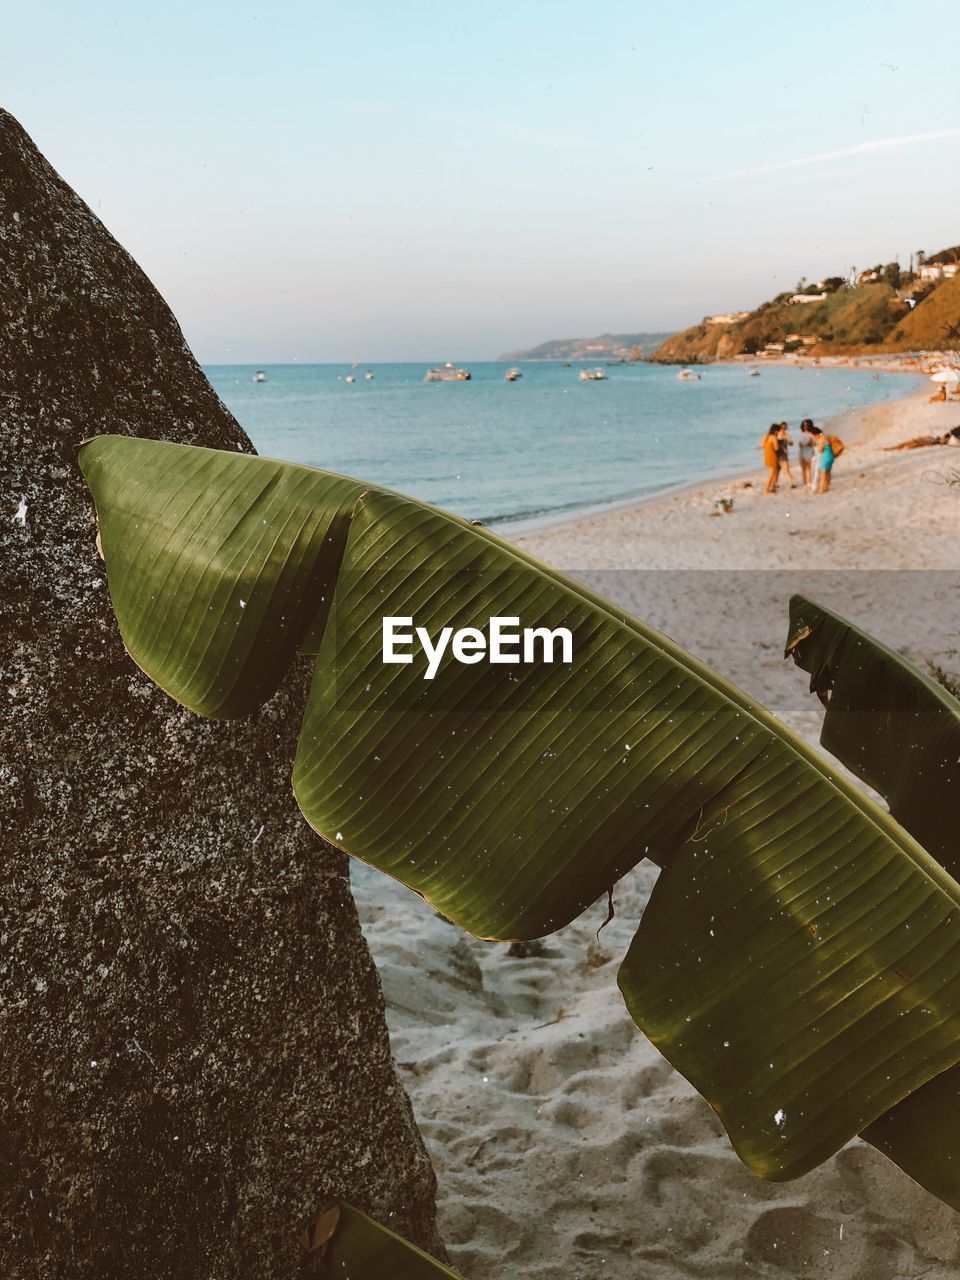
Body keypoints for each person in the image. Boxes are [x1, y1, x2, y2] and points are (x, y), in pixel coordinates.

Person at [761, 423, 781, 493]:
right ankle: (766, 489)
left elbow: (762, 445)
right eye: (778, 431)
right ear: (775, 431)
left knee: (771, 472)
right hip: (773, 456)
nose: (779, 432)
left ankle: (770, 487)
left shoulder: (766, 436)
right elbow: (776, 448)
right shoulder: (773, 437)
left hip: (767, 455)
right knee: (772, 474)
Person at [777, 422, 797, 488]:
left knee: (786, 469)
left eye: (784, 428)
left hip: (783, 454)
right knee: (777, 470)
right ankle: (776, 483)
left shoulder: (787, 435)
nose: (783, 429)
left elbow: (791, 443)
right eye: (782, 427)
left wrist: (788, 441)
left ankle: (792, 483)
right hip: (777, 455)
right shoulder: (776, 435)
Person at [798, 418, 816, 488]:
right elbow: (799, 444)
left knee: (808, 467)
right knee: (803, 468)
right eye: (804, 425)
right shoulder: (801, 434)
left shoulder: (811, 434)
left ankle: (808, 482)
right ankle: (804, 481)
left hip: (808, 451)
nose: (805, 427)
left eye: (806, 425)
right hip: (801, 452)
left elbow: (814, 443)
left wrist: (809, 443)